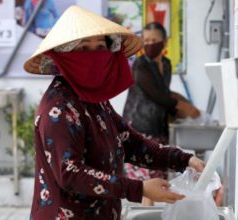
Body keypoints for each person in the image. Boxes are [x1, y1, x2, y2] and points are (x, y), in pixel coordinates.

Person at [23, 6, 205, 220]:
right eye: (83, 48)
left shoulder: (95, 100)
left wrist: (184, 159)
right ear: (64, 56)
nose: (93, 56)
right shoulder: (58, 108)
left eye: (101, 47)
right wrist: (139, 188)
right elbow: (70, 173)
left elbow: (132, 144)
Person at [122, 22, 200, 205]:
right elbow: (158, 96)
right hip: (139, 127)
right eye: (146, 40)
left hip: (159, 128)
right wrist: (183, 108)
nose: (149, 44)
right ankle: (144, 216)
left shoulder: (166, 64)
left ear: (164, 42)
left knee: (159, 181)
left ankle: (150, 215)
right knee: (146, 186)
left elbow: (165, 92)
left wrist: (187, 105)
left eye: (154, 40)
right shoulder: (140, 66)